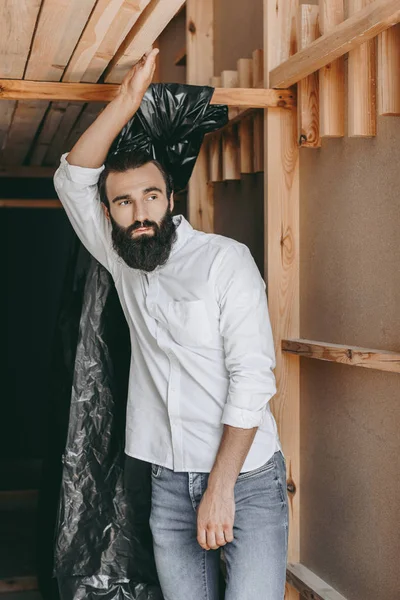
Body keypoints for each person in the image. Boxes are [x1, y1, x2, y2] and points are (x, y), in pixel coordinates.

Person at [54, 48, 289, 600]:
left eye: (150, 197)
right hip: (167, 482)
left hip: (247, 480)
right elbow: (72, 179)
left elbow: (253, 378)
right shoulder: (122, 257)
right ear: (109, 212)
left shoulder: (223, 261)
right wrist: (125, 102)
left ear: (171, 199)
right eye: (124, 202)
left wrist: (222, 489)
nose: (140, 214)